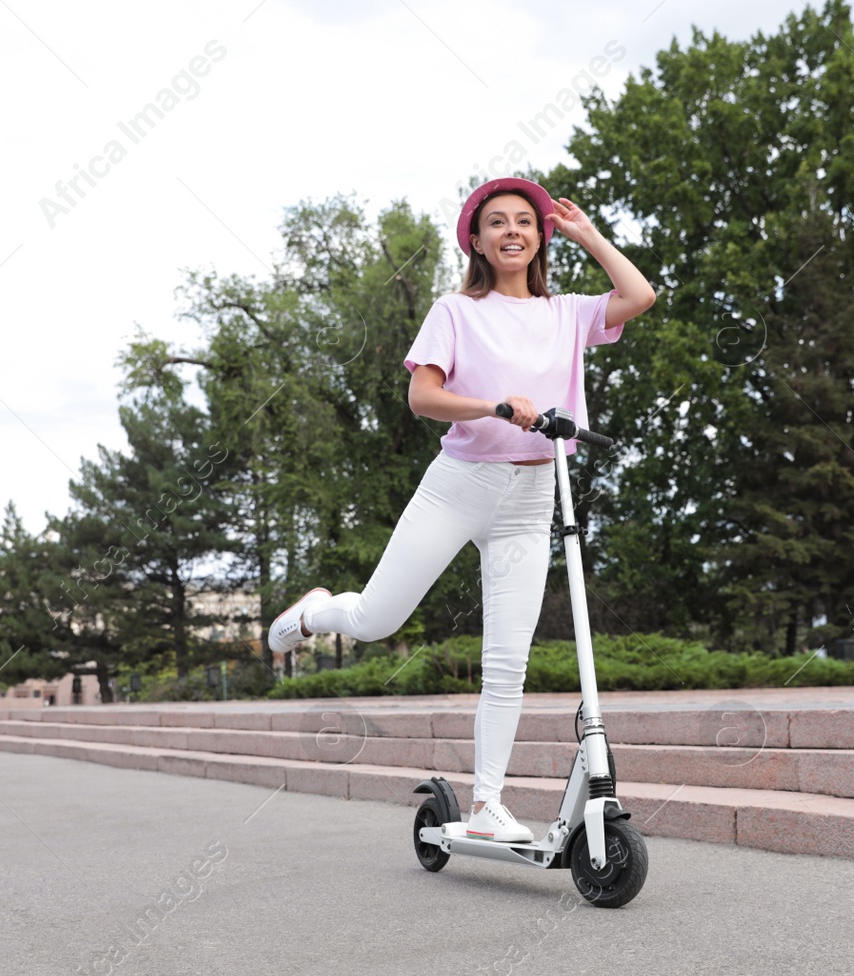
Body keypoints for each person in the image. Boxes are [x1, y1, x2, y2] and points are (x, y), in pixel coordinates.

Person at [267, 176, 656, 842]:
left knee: (508, 660)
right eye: (497, 222)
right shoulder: (455, 311)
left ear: (541, 237)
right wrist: (493, 404)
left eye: (526, 223)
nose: (512, 231)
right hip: (460, 483)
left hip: (533, 495)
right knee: (374, 617)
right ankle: (310, 612)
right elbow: (423, 396)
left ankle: (486, 804)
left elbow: (640, 295)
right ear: (476, 239)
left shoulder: (567, 312)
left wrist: (588, 234)